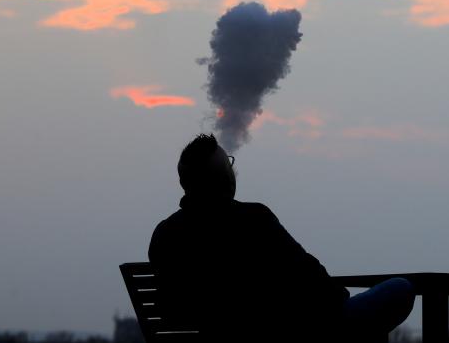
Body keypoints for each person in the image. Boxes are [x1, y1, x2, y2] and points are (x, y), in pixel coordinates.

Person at [149, 134, 414, 341]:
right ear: (224, 180)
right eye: (227, 165)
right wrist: (337, 299)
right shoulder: (253, 218)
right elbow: (308, 273)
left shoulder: (164, 234)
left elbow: (170, 307)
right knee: (399, 289)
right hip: (287, 334)